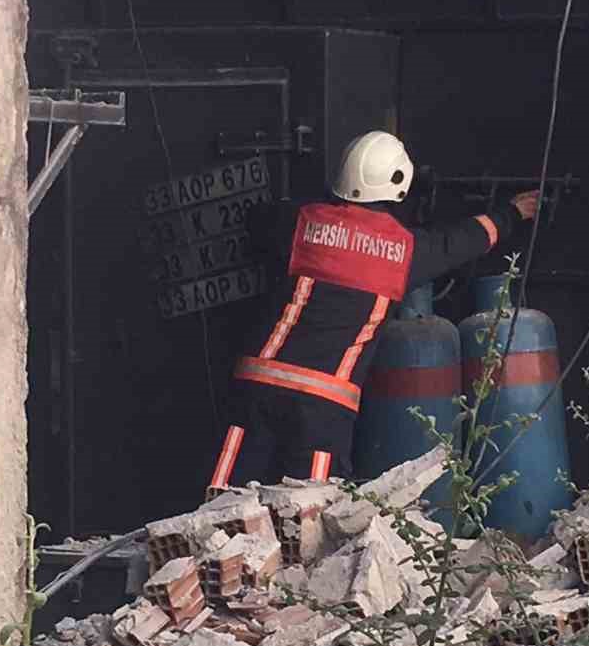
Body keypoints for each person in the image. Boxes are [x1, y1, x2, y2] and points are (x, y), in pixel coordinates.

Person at [206, 130, 538, 493]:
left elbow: (258, 220)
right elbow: (460, 240)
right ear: (400, 184)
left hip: (257, 386)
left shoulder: (301, 222)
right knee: (308, 518)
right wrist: (512, 212)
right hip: (324, 404)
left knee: (225, 505)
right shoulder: (406, 250)